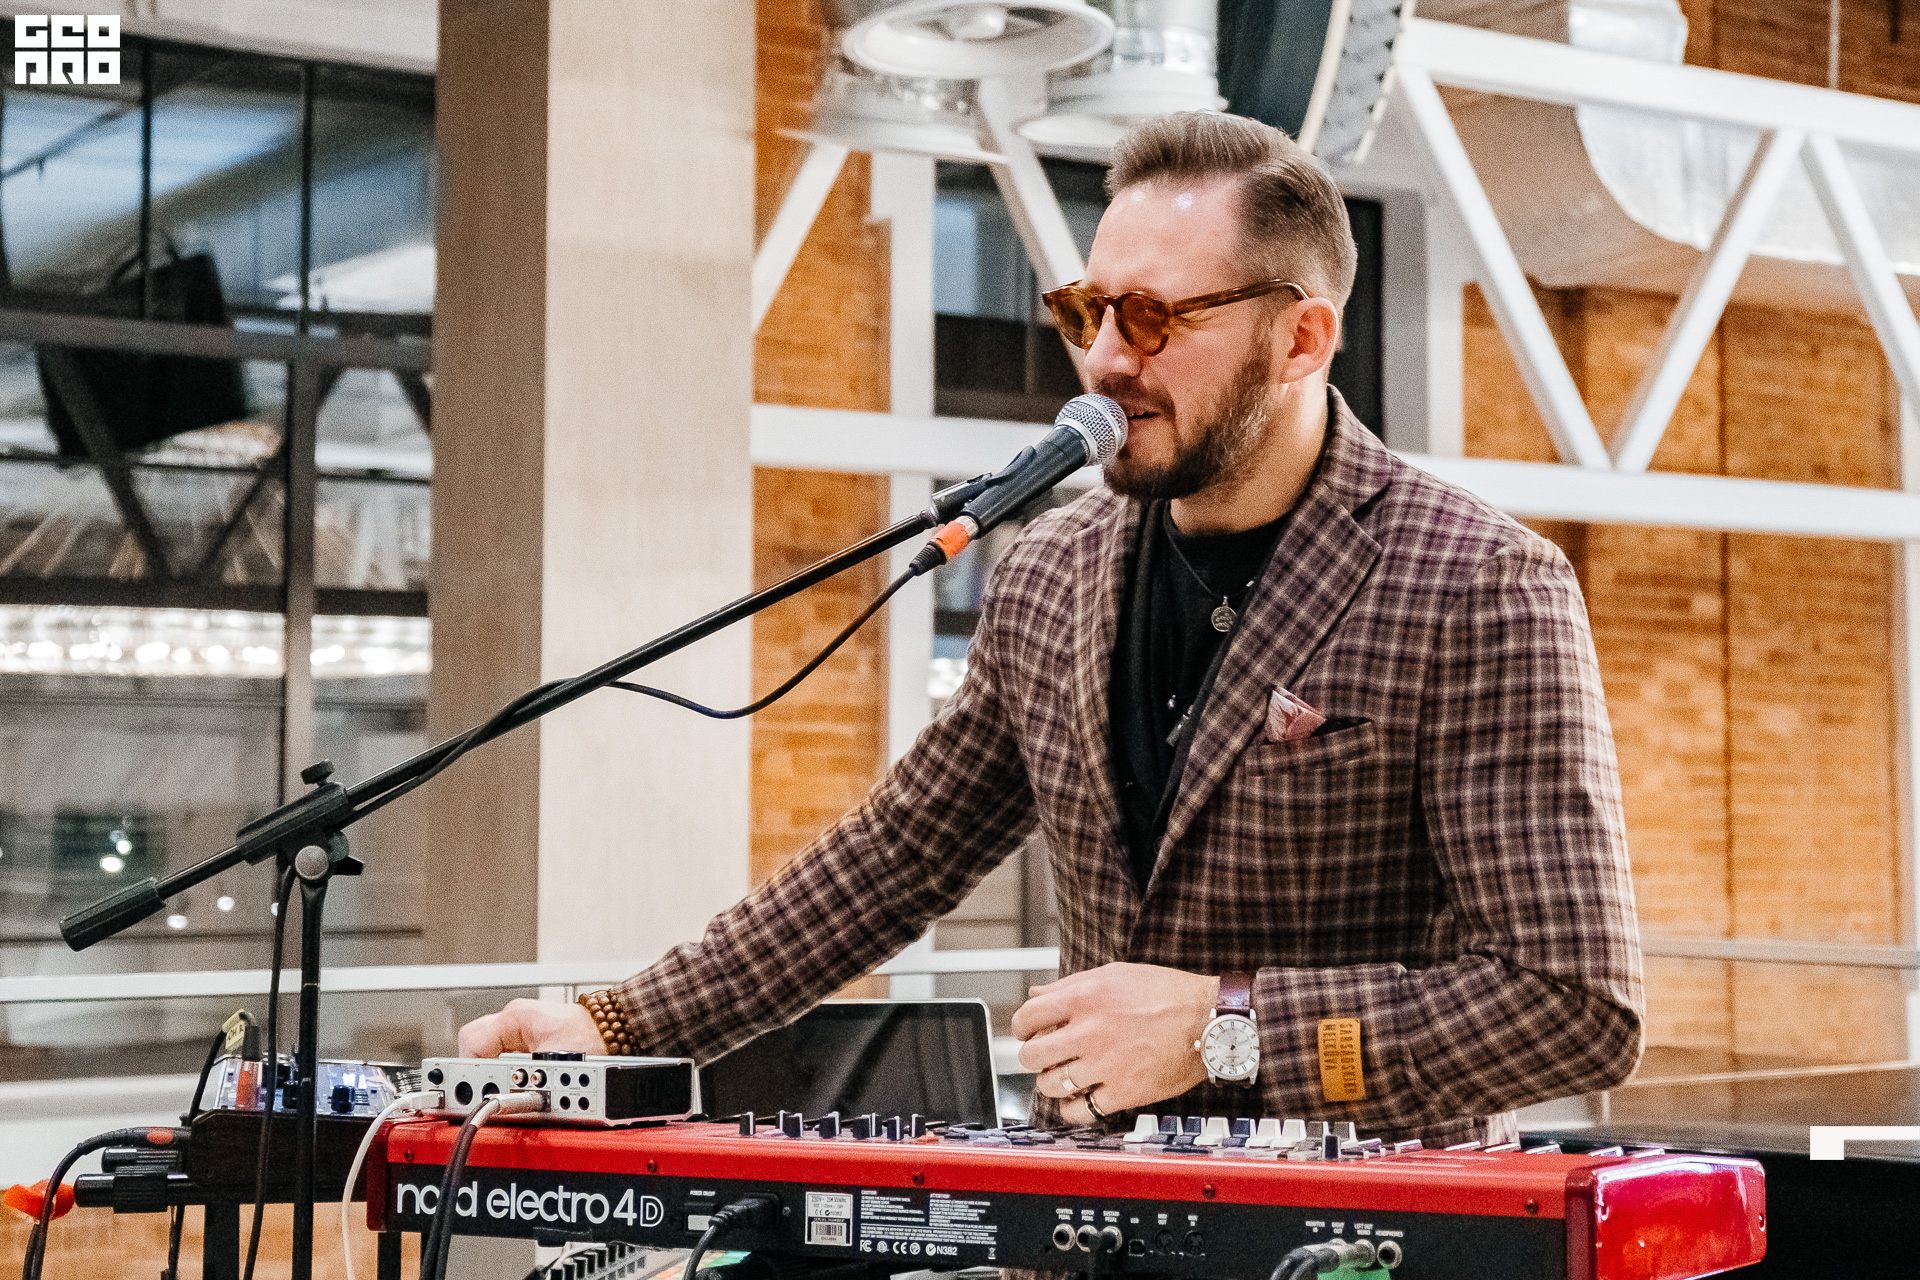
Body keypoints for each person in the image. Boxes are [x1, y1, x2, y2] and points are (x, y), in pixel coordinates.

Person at [458, 111, 1642, 1147]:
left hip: (1359, 1234)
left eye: (1155, 316)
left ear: (1302, 340)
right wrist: (615, 1023)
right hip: (1084, 1222)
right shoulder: (1049, 571)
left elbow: (1572, 1005)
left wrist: (1224, 1028)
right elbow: (895, 857)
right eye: (1090, 309)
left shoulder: (1479, 583)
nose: (1106, 358)